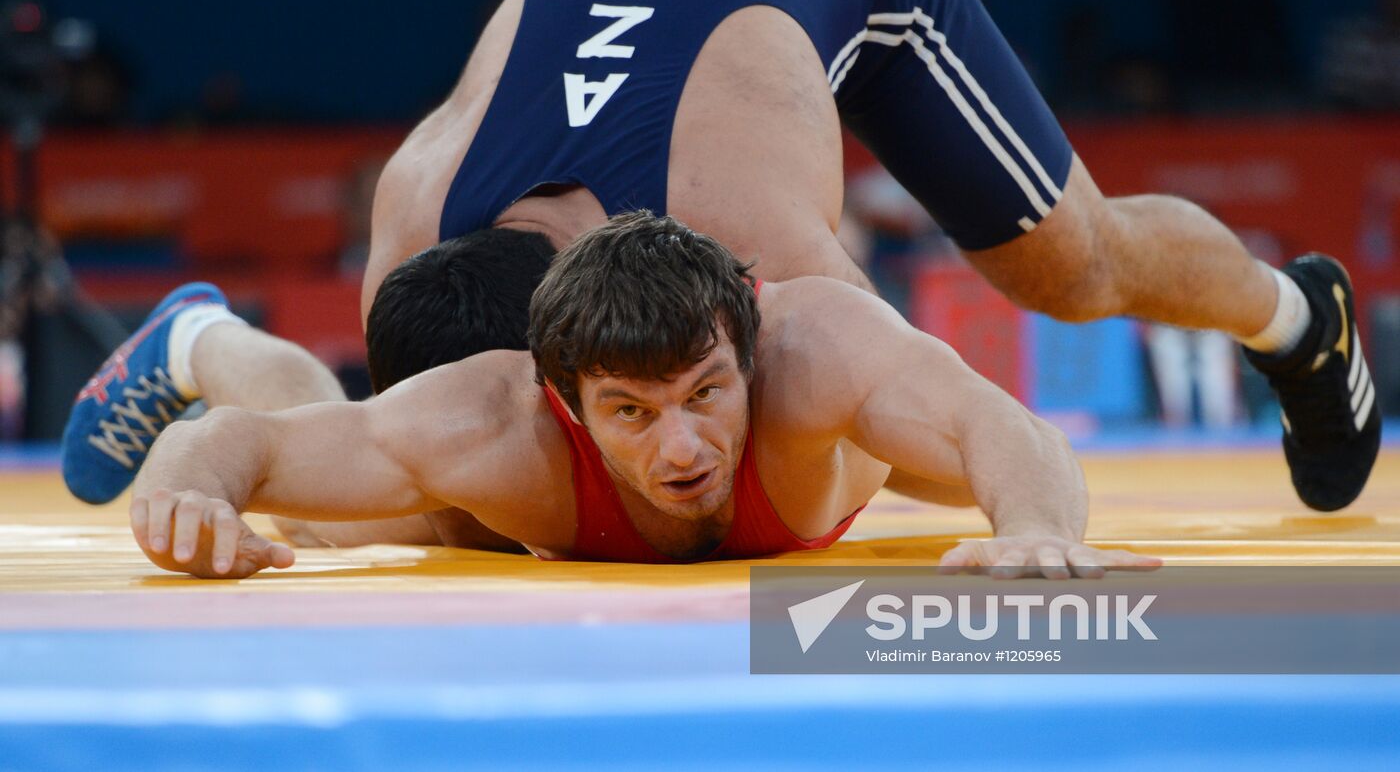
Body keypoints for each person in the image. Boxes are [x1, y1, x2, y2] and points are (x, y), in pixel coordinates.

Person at [63, 0, 1377, 517]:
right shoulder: (420, 222)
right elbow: (431, 419)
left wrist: (1010, 511)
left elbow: (910, 428)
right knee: (438, 472)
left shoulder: (737, 220)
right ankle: (196, 342)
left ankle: (1291, 315)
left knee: (1071, 264)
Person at [120, 213, 1161, 579]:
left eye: (705, 391)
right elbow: (242, 446)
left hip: (823, 455)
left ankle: (204, 335)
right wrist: (188, 487)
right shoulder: (493, 423)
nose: (682, 447)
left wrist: (1030, 529)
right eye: (629, 410)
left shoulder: (815, 352)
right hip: (538, 499)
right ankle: (202, 339)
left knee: (961, 466)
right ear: (565, 402)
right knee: (322, 514)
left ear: (748, 353)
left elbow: (1005, 425)